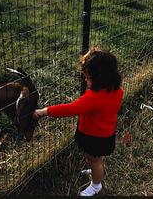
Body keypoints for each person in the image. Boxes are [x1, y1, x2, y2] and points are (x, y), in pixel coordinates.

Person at [33, 47, 123, 196]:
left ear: (100, 78)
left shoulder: (93, 98)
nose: (86, 80)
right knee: (97, 158)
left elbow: (70, 109)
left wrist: (44, 111)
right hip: (106, 133)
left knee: (93, 159)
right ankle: (97, 169)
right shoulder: (116, 89)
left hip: (94, 135)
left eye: (88, 78)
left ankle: (96, 185)